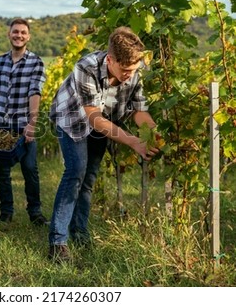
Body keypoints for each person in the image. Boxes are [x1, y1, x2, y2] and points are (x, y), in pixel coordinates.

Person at [48, 27, 160, 262]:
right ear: (110, 60)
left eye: (134, 70)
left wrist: (152, 133)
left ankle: (80, 232)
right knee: (76, 171)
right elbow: (95, 119)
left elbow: (139, 111)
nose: (130, 74)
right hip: (73, 120)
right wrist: (132, 141)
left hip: (103, 122)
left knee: (89, 178)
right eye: (126, 70)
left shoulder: (134, 71)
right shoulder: (86, 67)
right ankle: (58, 241)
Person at [0, 18, 49, 226]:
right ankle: (6, 211)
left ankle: (35, 212)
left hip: (23, 125)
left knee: (30, 169)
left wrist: (33, 123)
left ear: (28, 36)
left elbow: (35, 92)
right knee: (2, 171)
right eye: (15, 32)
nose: (19, 35)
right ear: (9, 34)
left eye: (23, 32)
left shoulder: (36, 62)